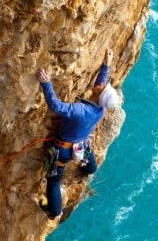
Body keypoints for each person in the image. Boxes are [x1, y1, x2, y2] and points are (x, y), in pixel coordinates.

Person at [35, 49, 122, 218]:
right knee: (88, 160)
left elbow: (57, 106)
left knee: (53, 181)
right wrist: (107, 65)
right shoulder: (100, 109)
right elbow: (100, 86)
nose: (102, 84)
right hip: (80, 145)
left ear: (100, 96)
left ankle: (54, 211)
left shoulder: (80, 109)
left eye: (103, 88)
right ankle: (90, 169)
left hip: (61, 151)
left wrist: (46, 84)